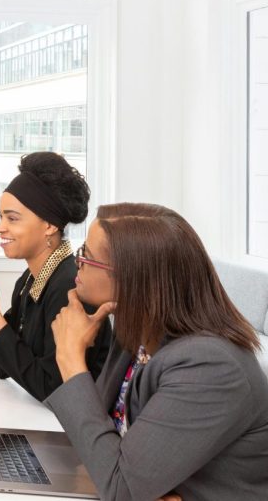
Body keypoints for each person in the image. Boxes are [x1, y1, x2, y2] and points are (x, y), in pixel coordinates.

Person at [48, 203, 268, 500]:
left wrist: (71, 360)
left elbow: (121, 489)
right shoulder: (134, 331)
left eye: (87, 255)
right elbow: (98, 439)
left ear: (131, 279)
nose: (78, 262)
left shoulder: (211, 368)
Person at [0, 152, 112, 401]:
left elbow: (53, 391)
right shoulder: (29, 280)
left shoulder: (70, 287)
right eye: (0, 216)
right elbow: (5, 367)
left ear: (49, 225)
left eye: (12, 218)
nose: (0, 227)